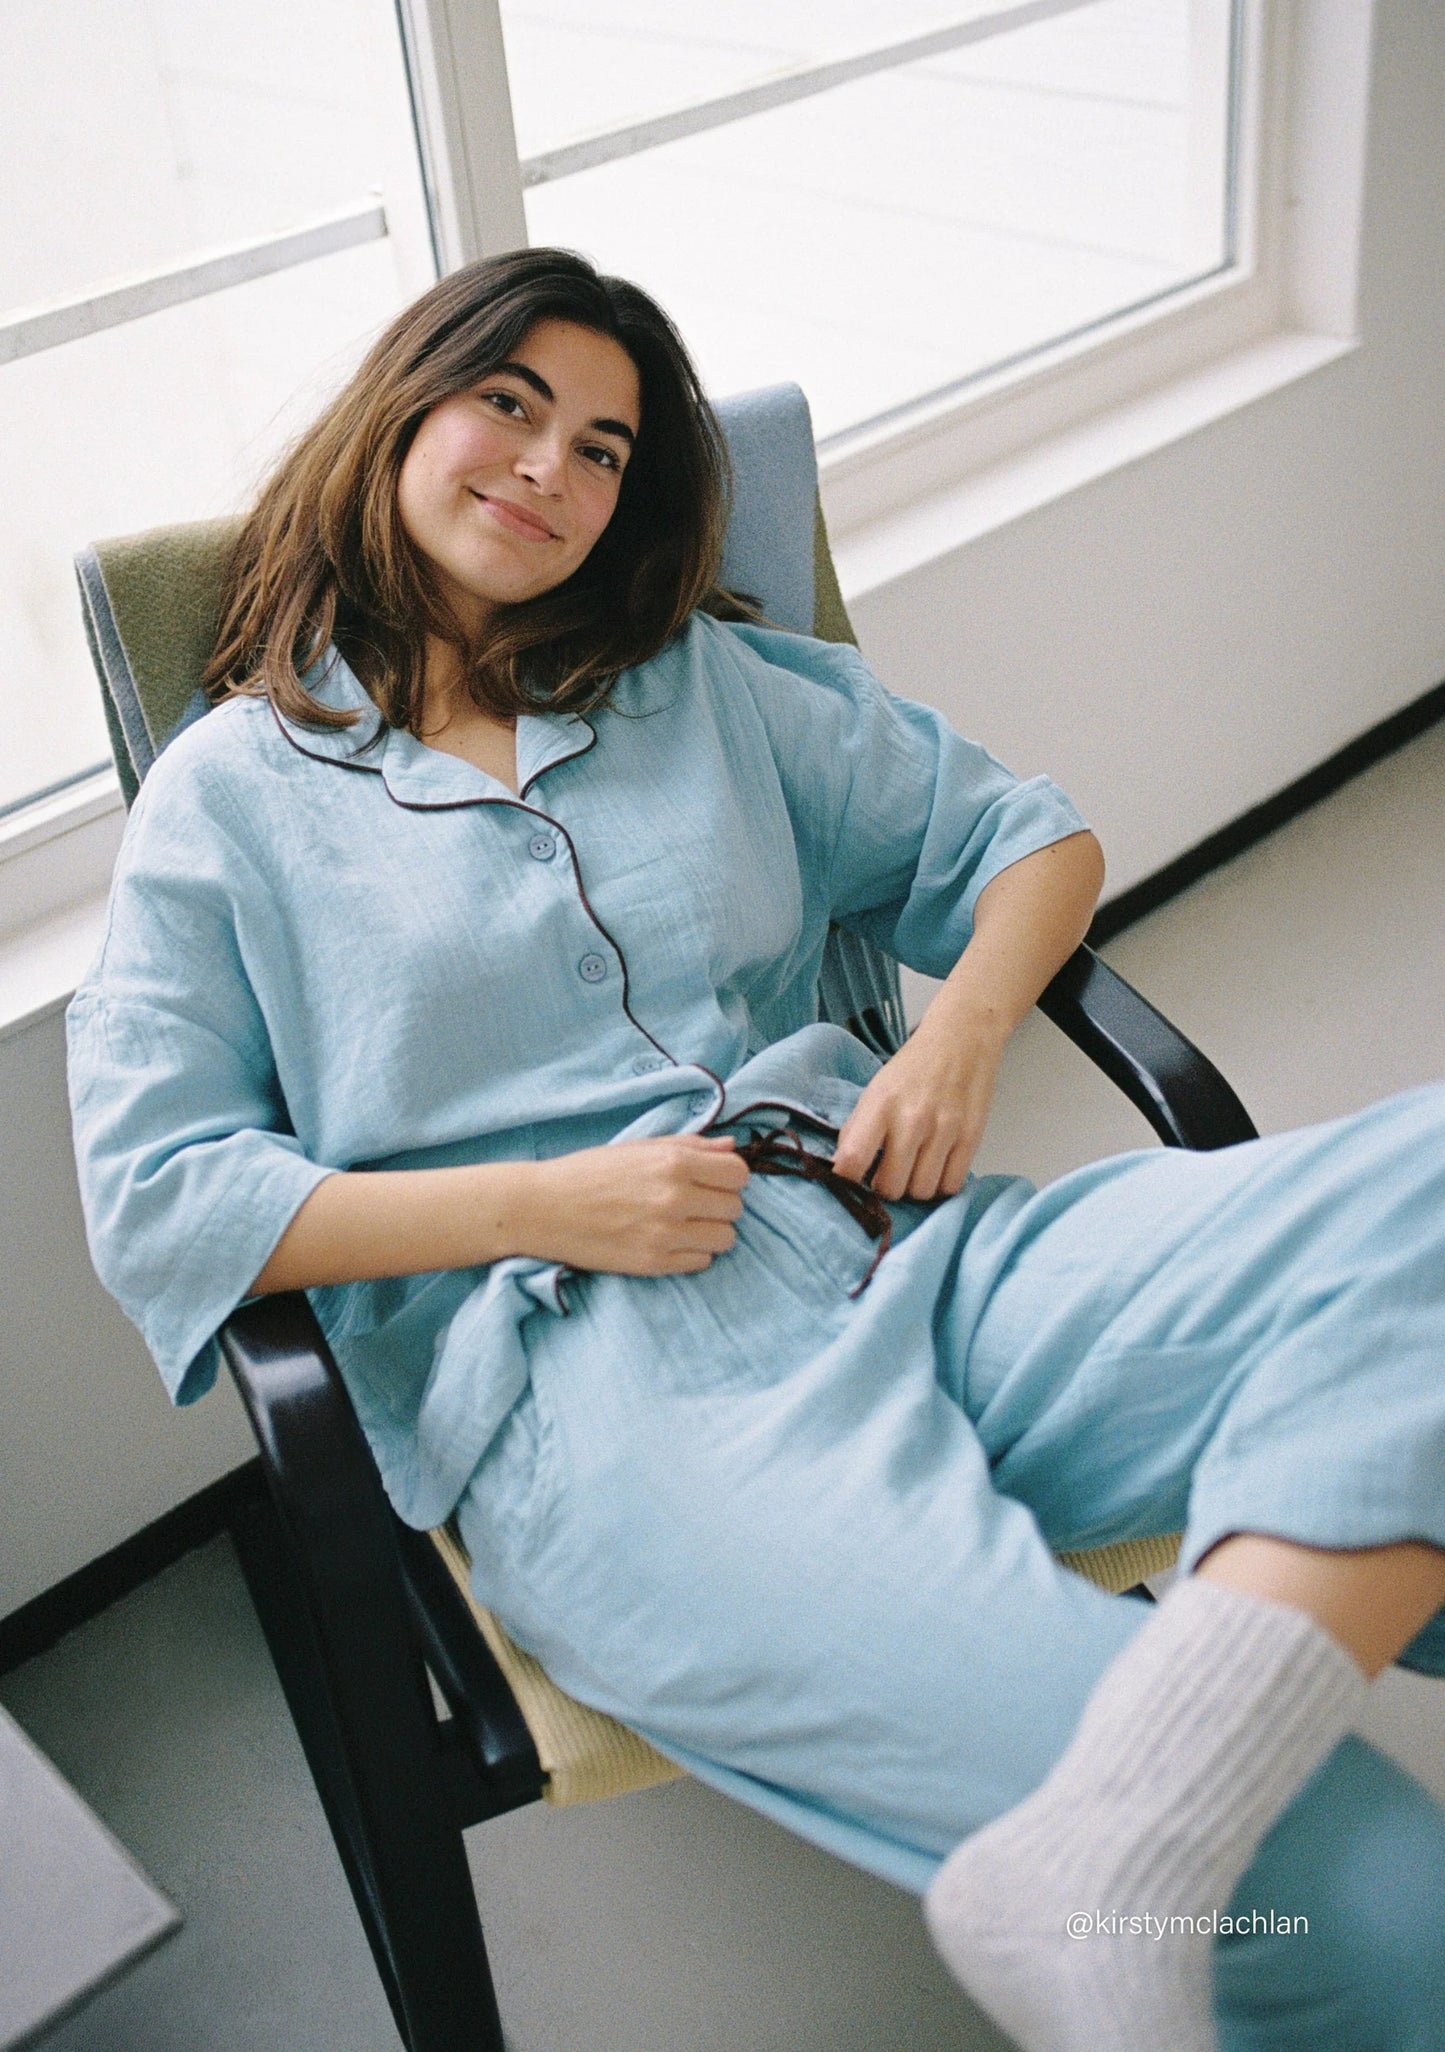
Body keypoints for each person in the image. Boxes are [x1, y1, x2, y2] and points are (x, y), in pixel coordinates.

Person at [67, 248, 1445, 2052]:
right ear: (404, 409)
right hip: (601, 1393)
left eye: (605, 447)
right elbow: (163, 1199)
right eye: (507, 404)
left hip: (909, 1253)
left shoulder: (693, 683)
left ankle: (1180, 1721)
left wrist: (954, 1038)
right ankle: (1208, 1729)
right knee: (1362, 1902)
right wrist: (550, 1202)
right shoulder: (231, 801)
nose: (550, 467)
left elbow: (1025, 840)